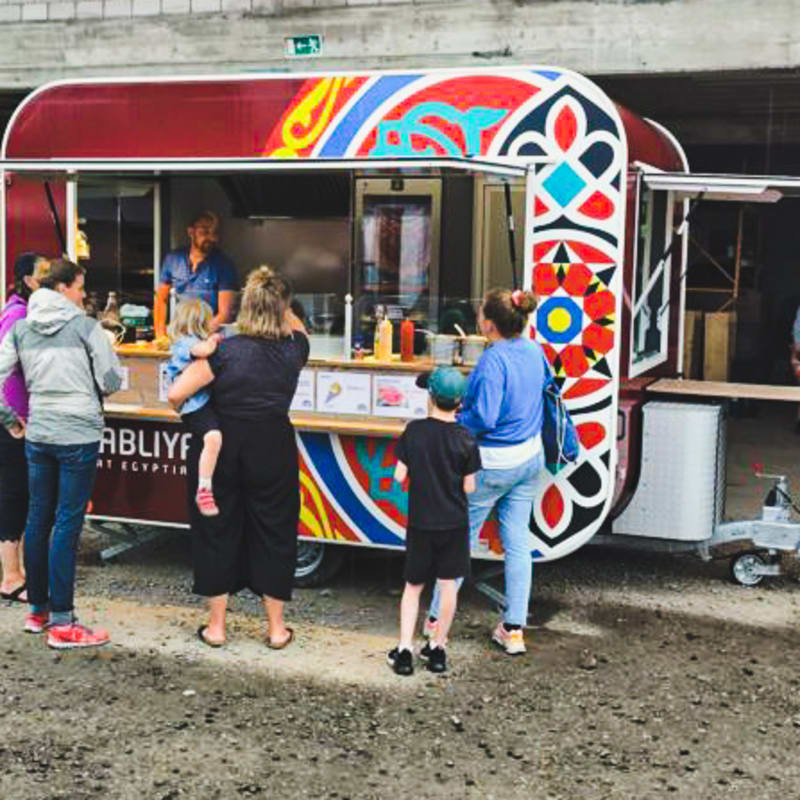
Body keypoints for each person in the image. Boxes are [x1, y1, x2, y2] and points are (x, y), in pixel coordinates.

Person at [168, 266, 308, 649]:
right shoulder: (295, 348)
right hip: (273, 445)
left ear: (245, 308)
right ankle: (277, 630)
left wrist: (205, 416)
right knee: (275, 531)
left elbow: (176, 394)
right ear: (282, 307)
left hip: (222, 446)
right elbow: (296, 325)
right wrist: (279, 302)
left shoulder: (224, 351)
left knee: (217, 529)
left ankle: (216, 628)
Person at [0, 259, 122, 648]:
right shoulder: (87, 328)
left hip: (39, 430)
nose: (84, 295)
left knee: (38, 518)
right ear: (64, 288)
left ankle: (37, 612)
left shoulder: (20, 327)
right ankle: (64, 623)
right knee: (67, 524)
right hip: (78, 434)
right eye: (80, 287)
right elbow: (110, 382)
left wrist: (10, 419)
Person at [426, 288, 545, 656]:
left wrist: (457, 418)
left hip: (492, 465)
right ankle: (513, 630)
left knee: (459, 542)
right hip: (529, 458)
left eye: (480, 313)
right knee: (517, 542)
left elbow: (486, 417)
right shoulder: (534, 350)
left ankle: (433, 622)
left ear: (488, 325)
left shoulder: (493, 361)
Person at [388, 366, 481, 676]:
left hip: (421, 523)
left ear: (430, 397)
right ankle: (438, 648)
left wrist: (414, 475)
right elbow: (470, 487)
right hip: (454, 523)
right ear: (460, 403)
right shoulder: (466, 439)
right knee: (448, 586)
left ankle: (404, 651)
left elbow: (399, 475)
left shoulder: (414, 432)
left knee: (413, 587)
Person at [0, 253, 51, 604]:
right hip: (12, 421)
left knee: (18, 492)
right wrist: (9, 419)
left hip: (21, 418)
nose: (49, 280)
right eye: (44, 274)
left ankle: (16, 570)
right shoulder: (17, 314)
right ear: (27, 279)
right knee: (14, 493)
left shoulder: (23, 311)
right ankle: (10, 575)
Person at [165, 299, 223, 516]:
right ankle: (204, 489)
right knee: (213, 437)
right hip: (193, 405)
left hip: (199, 402)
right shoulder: (186, 343)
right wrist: (215, 339)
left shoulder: (187, 341)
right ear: (199, 321)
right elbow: (205, 350)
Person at [154, 211, 238, 337]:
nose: (211, 238)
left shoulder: (224, 265)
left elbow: (225, 314)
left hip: (209, 338)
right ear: (191, 232)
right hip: (178, 335)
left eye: (214, 233)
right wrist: (160, 335)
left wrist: (198, 337)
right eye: (204, 232)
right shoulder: (173, 259)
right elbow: (161, 299)